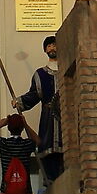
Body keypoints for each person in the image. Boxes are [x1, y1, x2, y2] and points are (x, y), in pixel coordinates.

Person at [16, 36, 64, 180]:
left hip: (66, 118)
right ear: (45, 50)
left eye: (54, 45)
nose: (52, 48)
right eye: (49, 46)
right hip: (48, 118)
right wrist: (19, 102)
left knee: (67, 150)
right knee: (48, 150)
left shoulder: (67, 69)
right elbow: (34, 95)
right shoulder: (40, 74)